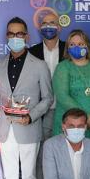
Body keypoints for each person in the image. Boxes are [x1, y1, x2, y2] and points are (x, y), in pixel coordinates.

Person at [0, 17, 53, 179]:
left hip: (29, 127)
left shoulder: (39, 65)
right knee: (9, 175)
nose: (15, 38)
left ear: (27, 37)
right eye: (11, 34)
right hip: (5, 127)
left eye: (20, 34)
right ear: (6, 37)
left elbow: (48, 98)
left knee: (29, 174)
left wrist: (31, 116)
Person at [52, 29, 90, 156]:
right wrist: (87, 117)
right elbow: (63, 96)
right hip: (71, 125)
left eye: (80, 44)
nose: (76, 47)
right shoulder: (62, 67)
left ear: (87, 46)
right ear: (67, 48)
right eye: (72, 45)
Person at [29, 12, 66, 140]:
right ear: (39, 28)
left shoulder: (69, 49)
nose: (48, 26)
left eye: (52, 23)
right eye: (44, 23)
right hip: (41, 111)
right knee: (43, 151)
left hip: (65, 108)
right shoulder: (32, 53)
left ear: (59, 27)